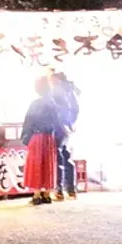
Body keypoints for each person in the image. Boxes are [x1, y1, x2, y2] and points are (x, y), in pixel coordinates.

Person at [20, 77, 63, 206]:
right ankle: (47, 195)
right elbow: (58, 123)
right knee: (49, 166)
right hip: (50, 138)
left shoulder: (35, 104)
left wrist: (26, 137)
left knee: (36, 166)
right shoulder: (53, 103)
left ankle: (37, 195)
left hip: (37, 137)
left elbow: (28, 121)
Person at [48, 70, 81, 199]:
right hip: (67, 128)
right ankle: (71, 189)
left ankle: (59, 189)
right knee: (66, 157)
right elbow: (75, 109)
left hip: (58, 127)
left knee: (58, 158)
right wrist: (70, 123)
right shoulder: (70, 90)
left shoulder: (57, 90)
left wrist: (61, 123)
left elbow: (56, 109)